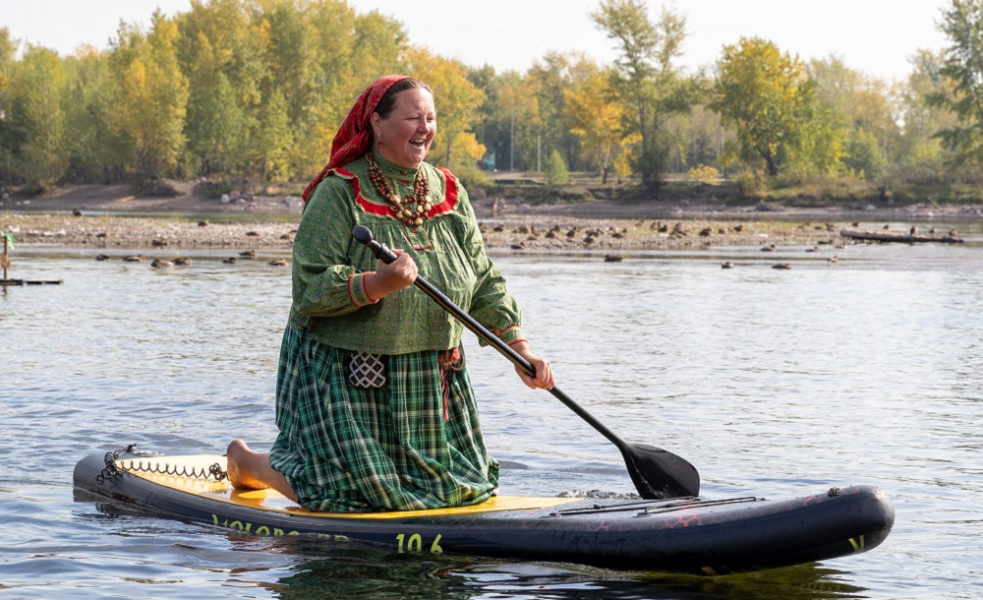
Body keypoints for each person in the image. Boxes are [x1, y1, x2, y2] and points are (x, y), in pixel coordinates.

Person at [227, 75, 554, 513]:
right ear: (377, 125)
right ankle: (249, 464)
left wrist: (520, 350)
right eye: (413, 117)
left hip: (432, 373)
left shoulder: (450, 192)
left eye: (432, 118)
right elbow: (308, 287)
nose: (425, 128)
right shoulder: (340, 190)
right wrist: (377, 283)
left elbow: (481, 277)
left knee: (458, 489)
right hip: (344, 370)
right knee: (353, 496)